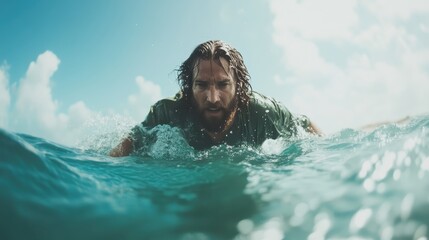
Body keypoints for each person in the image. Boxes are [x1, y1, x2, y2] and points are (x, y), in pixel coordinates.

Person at [110, 40, 321, 157]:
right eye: (201, 85)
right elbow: (127, 145)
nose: (212, 98)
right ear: (188, 87)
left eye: (223, 84)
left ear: (238, 87)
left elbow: (306, 126)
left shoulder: (263, 112)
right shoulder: (168, 112)